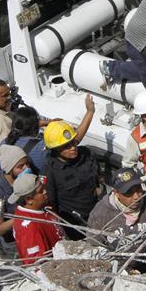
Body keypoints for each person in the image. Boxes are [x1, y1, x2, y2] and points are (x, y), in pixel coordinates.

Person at [87, 167, 146, 269]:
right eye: (129, 192)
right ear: (116, 193)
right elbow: (93, 246)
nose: (136, 197)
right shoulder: (100, 214)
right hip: (116, 266)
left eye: (138, 189)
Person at [42, 95, 98, 238]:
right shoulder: (51, 172)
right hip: (75, 226)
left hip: (97, 214)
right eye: (66, 146)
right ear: (56, 149)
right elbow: (51, 204)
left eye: (73, 143)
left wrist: (90, 112)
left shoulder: (86, 154)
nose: (73, 147)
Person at [10, 172, 65, 264]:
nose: (45, 191)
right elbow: (36, 263)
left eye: (44, 187)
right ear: (29, 200)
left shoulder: (40, 206)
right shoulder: (29, 229)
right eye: (41, 191)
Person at [0, 144, 34, 240]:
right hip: (14, 241)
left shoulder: (27, 178)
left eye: (27, 163)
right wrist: (24, 214)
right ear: (9, 169)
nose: (26, 168)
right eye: (20, 166)